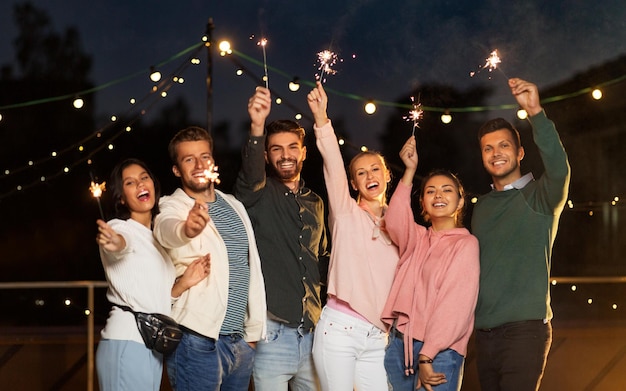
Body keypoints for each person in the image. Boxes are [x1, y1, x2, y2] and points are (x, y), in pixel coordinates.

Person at [471, 78, 570, 391]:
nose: (496, 153)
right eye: (488, 148)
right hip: (484, 332)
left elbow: (559, 168)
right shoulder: (481, 207)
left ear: (520, 152)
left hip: (525, 330)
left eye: (504, 145)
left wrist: (536, 112)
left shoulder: (540, 197)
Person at [152, 126, 267, 391]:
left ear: (213, 162)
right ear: (177, 170)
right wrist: (187, 228)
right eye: (188, 159)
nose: (199, 164)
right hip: (197, 339)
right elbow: (166, 230)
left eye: (204, 156)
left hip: (239, 342)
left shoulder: (234, 205)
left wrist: (251, 337)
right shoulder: (173, 206)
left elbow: (250, 268)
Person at [306, 82, 399, 390]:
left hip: (377, 338)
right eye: (361, 173)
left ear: (387, 175)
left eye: (375, 169)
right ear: (353, 183)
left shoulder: (401, 227)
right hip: (340, 331)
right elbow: (332, 164)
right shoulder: (346, 214)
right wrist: (322, 119)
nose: (369, 176)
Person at [235, 86, 328, 391]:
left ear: (304, 151)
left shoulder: (316, 203)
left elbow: (322, 261)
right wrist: (257, 125)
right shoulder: (258, 193)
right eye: (276, 148)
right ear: (266, 154)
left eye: (292, 147)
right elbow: (250, 174)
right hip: (272, 333)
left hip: (314, 334)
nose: (285, 155)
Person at [95, 158, 209, 391]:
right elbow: (121, 245)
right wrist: (115, 244)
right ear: (121, 197)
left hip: (152, 343)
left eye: (144, 177)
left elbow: (156, 297)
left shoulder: (157, 238)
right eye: (130, 182)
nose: (140, 184)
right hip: (126, 341)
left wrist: (184, 283)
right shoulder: (120, 228)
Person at [381, 137, 480, 391]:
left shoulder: (465, 245)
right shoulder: (417, 237)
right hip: (399, 346)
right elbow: (392, 221)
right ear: (423, 203)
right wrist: (410, 171)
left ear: (460, 202)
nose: (438, 195)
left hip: (441, 352)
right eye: (430, 191)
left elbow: (455, 306)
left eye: (447, 190)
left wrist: (428, 354)